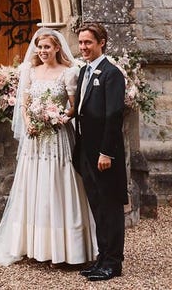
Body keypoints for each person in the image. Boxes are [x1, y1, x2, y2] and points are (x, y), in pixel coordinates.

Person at [0, 27, 96, 267]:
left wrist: (58, 117)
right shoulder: (30, 70)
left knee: (58, 185)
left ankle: (65, 247)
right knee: (34, 185)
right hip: (35, 139)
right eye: (39, 47)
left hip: (58, 137)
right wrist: (30, 123)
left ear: (57, 48)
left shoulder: (69, 73)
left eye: (47, 47)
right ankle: (33, 244)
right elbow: (24, 104)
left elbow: (73, 106)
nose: (42, 51)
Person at [73, 23, 127, 282]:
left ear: (102, 42)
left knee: (110, 207)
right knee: (97, 207)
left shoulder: (111, 74)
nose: (83, 47)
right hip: (86, 152)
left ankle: (113, 263)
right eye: (81, 42)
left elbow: (114, 115)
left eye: (88, 43)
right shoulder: (84, 71)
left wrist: (106, 152)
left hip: (105, 156)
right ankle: (102, 257)